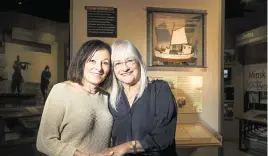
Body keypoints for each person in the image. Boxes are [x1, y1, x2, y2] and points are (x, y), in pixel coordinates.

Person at [36, 40, 114, 156]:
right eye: (92, 61)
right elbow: (44, 141)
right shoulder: (61, 91)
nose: (99, 68)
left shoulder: (105, 97)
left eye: (105, 63)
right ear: (81, 62)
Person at [105, 40, 178, 156]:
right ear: (112, 69)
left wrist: (126, 147)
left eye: (129, 60)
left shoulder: (159, 90)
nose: (124, 68)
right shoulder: (110, 98)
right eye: (117, 63)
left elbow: (164, 136)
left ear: (139, 62)